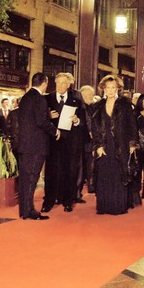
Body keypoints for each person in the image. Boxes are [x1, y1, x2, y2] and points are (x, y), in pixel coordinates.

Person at [14, 73, 59, 221]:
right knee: (32, 178)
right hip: (35, 145)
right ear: (44, 83)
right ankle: (29, 211)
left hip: (24, 144)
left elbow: (30, 119)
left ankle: (24, 210)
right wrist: (55, 130)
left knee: (25, 178)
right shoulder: (40, 99)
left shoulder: (25, 98)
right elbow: (41, 122)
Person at [91, 75, 138, 216]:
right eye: (108, 87)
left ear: (117, 88)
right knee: (104, 174)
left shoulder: (124, 104)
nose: (110, 90)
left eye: (113, 87)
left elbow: (132, 125)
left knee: (119, 174)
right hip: (104, 145)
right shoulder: (98, 106)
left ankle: (118, 206)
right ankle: (104, 206)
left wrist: (132, 144)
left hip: (121, 145)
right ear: (103, 89)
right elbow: (94, 128)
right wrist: (98, 145)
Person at [42, 72, 84, 213]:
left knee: (69, 172)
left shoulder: (76, 100)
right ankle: (48, 201)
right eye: (58, 83)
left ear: (68, 85)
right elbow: (39, 119)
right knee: (51, 172)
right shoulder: (46, 99)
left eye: (63, 83)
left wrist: (77, 121)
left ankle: (68, 201)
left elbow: (83, 121)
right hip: (52, 142)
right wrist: (47, 116)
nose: (60, 86)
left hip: (70, 142)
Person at [76, 85, 97, 200]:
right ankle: (77, 193)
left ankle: (92, 186)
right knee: (80, 168)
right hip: (81, 141)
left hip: (90, 142)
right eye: (90, 95)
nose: (92, 97)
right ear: (82, 95)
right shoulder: (79, 108)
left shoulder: (92, 107)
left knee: (91, 165)